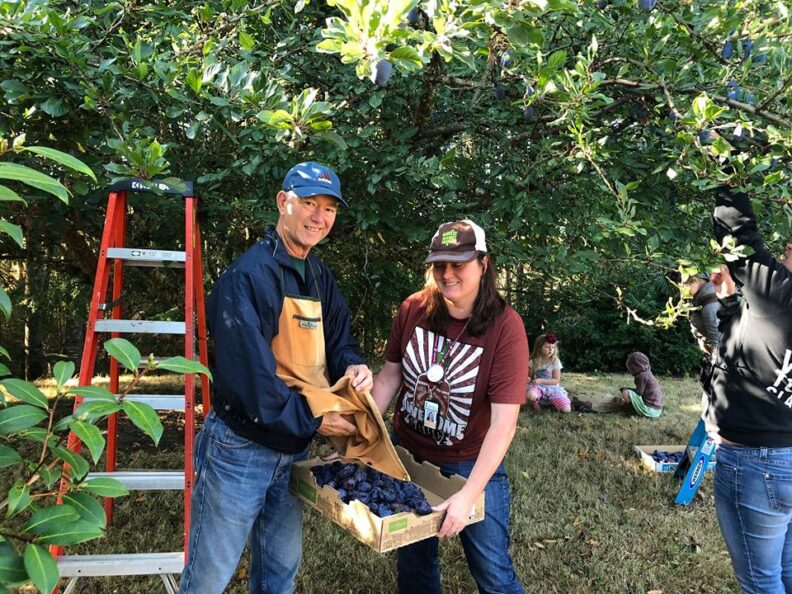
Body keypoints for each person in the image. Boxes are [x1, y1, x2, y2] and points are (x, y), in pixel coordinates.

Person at [179, 162, 373, 594]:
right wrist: (316, 420)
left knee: (279, 572)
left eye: (328, 209)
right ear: (282, 203)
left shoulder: (319, 276)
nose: (319, 217)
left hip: (294, 448)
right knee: (210, 576)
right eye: (308, 203)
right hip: (241, 450)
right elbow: (253, 385)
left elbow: (338, 340)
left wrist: (352, 364)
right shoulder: (249, 277)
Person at [371, 219, 528, 594]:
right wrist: (360, 437)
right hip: (406, 454)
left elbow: (504, 425)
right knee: (414, 566)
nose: (447, 274)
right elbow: (389, 377)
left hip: (468, 461)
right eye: (440, 264)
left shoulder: (506, 328)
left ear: (483, 264)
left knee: (492, 570)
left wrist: (469, 494)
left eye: (459, 264)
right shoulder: (413, 309)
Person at [702, 186, 792, 594]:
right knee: (786, 571)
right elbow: (754, 348)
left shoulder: (781, 294)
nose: (783, 251)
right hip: (783, 454)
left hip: (757, 462)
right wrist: (728, 304)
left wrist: (723, 164)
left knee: (760, 582)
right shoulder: (774, 304)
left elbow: (738, 233)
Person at [526, 333, 571, 413]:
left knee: (566, 410)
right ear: (539, 348)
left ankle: (553, 401)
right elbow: (530, 376)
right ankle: (535, 402)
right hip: (538, 388)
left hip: (552, 389)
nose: (551, 350)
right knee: (530, 395)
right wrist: (528, 379)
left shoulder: (555, 361)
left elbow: (556, 380)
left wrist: (540, 381)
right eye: (547, 347)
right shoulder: (533, 361)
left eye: (553, 347)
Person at [684, 272, 722, 355]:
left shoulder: (709, 304)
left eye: (684, 285)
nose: (683, 291)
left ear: (694, 281)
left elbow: (718, 343)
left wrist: (716, 360)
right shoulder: (705, 292)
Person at [617, 352, 664, 418]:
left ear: (636, 366)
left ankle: (632, 410)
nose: (630, 371)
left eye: (630, 368)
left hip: (650, 410)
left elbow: (639, 393)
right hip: (657, 410)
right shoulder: (647, 372)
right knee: (628, 392)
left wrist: (626, 389)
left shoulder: (641, 376)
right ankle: (632, 408)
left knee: (625, 392)